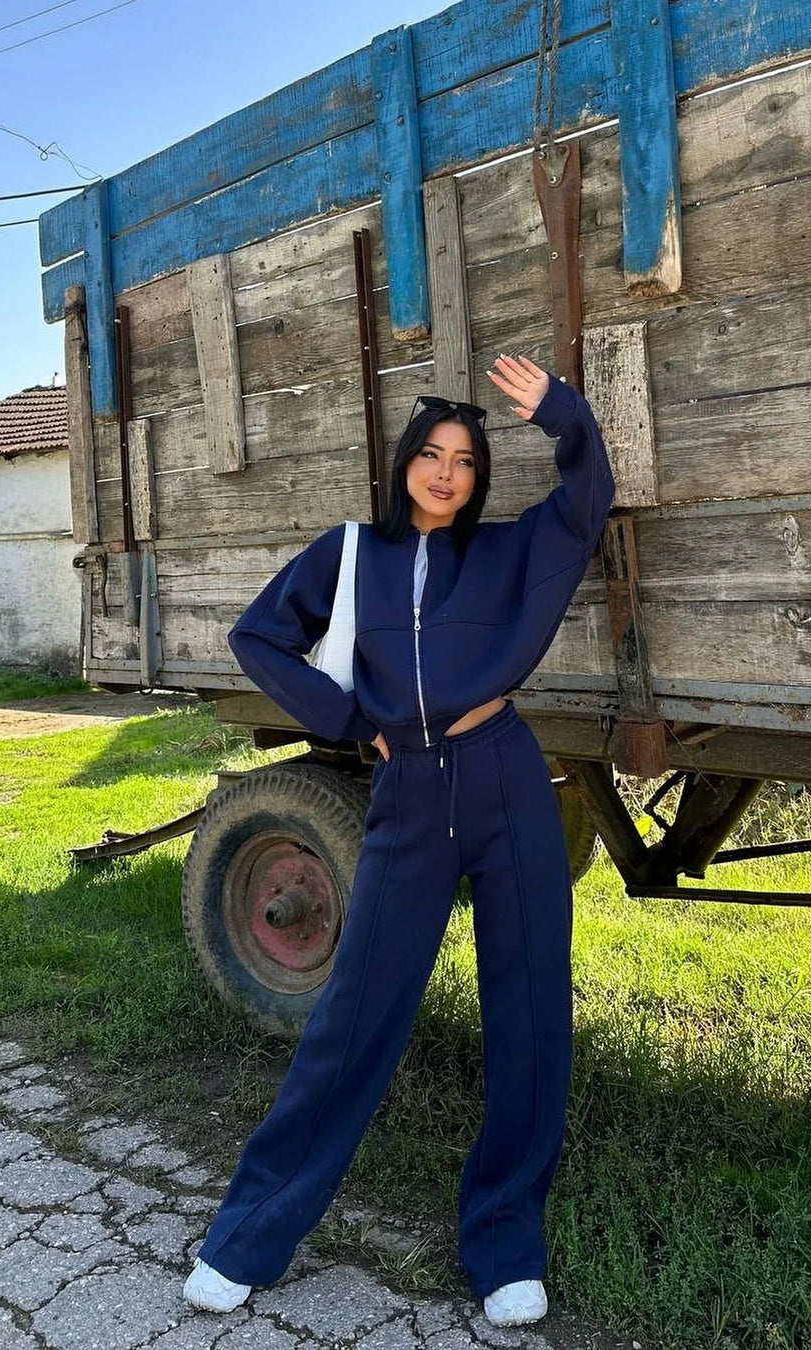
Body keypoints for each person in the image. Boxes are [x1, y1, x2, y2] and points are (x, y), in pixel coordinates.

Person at [183, 353, 615, 1327]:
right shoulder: (347, 555)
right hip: (409, 793)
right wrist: (343, 718)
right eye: (432, 453)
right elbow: (258, 640)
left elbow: (588, 502)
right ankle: (249, 1236)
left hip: (504, 774)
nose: (447, 473)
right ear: (404, 466)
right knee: (354, 1017)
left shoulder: (506, 553)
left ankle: (506, 1242)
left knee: (531, 1013)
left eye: (465, 458)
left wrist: (562, 413)